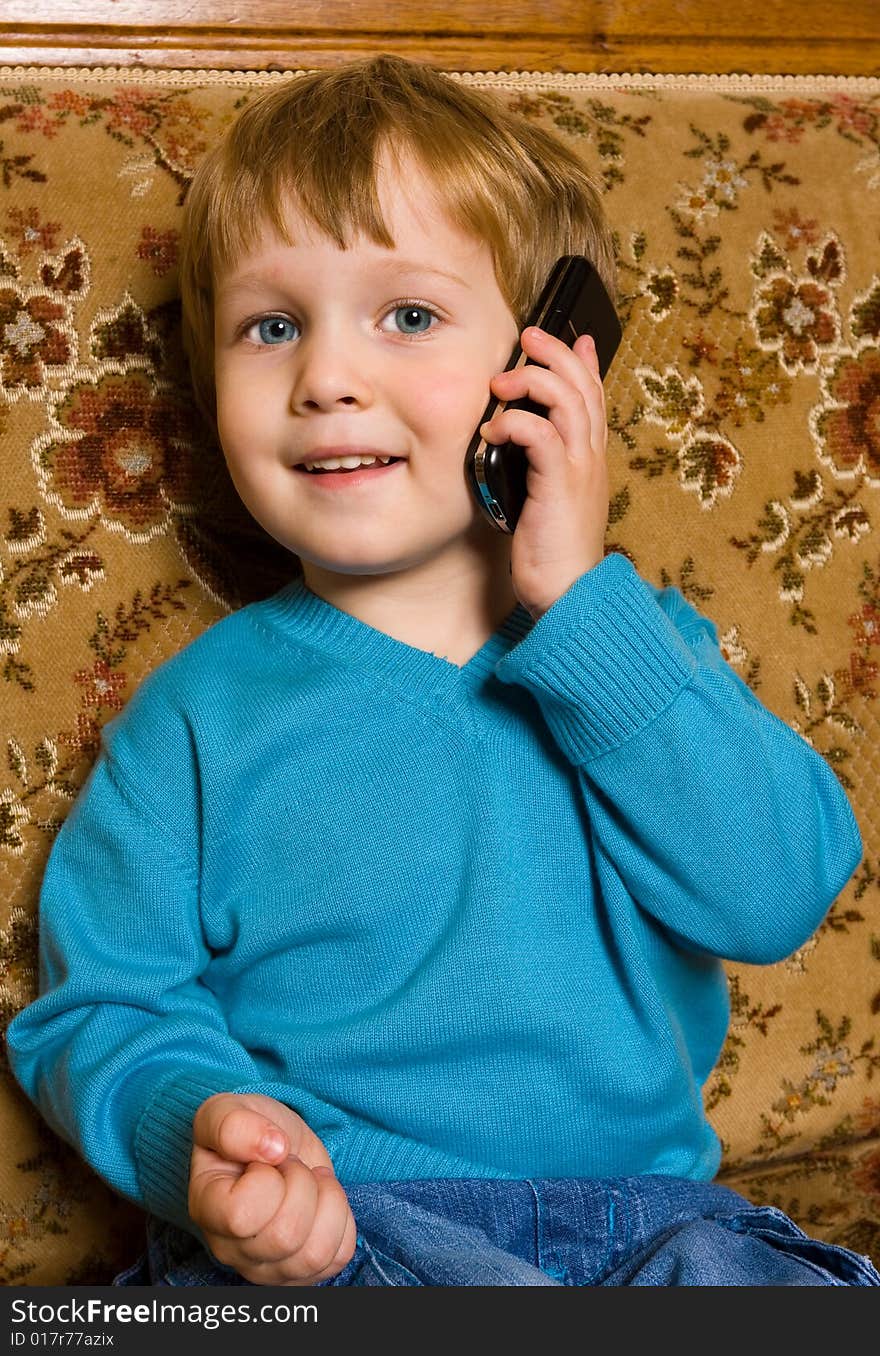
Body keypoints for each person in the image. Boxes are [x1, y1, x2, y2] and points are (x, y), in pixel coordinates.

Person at [6, 54, 879, 1289]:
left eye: (406, 316)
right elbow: (101, 1005)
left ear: (548, 367)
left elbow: (776, 890)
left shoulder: (635, 654)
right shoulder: (201, 719)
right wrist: (199, 1140)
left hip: (649, 1230)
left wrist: (576, 609)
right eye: (272, 325)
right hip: (353, 1237)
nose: (323, 378)